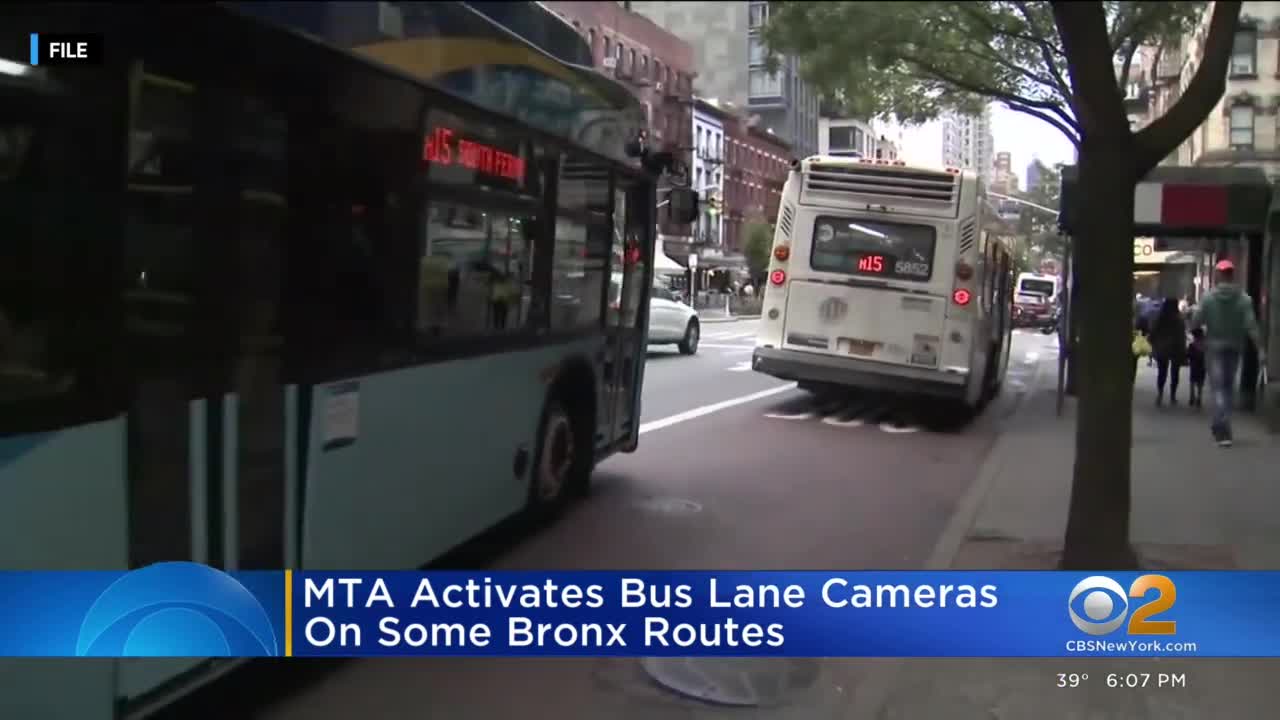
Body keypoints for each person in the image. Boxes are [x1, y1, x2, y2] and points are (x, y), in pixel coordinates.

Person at [1190, 259, 1265, 447]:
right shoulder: (1244, 299)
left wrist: (1196, 335)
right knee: (1228, 387)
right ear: (1232, 275)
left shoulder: (1207, 298)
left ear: (1218, 275)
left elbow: (1196, 321)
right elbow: (1251, 326)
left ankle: (1223, 428)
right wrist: (1261, 349)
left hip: (1213, 347)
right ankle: (1219, 424)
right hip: (1234, 347)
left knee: (1218, 388)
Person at [1148, 297, 1187, 406]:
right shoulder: (1179, 319)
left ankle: (1160, 394)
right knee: (1175, 373)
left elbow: (1153, 332)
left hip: (1162, 348)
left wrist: (1152, 343)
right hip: (1175, 348)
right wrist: (1183, 350)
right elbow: (1181, 336)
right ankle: (1173, 396)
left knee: (1162, 372)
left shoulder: (1160, 318)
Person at [1187, 327, 1206, 409]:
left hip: (1194, 366)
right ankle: (1199, 397)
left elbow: (1188, 355)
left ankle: (1192, 397)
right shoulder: (1206, 346)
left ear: (1194, 336)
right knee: (1200, 383)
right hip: (1202, 366)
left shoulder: (1192, 345)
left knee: (1192, 381)